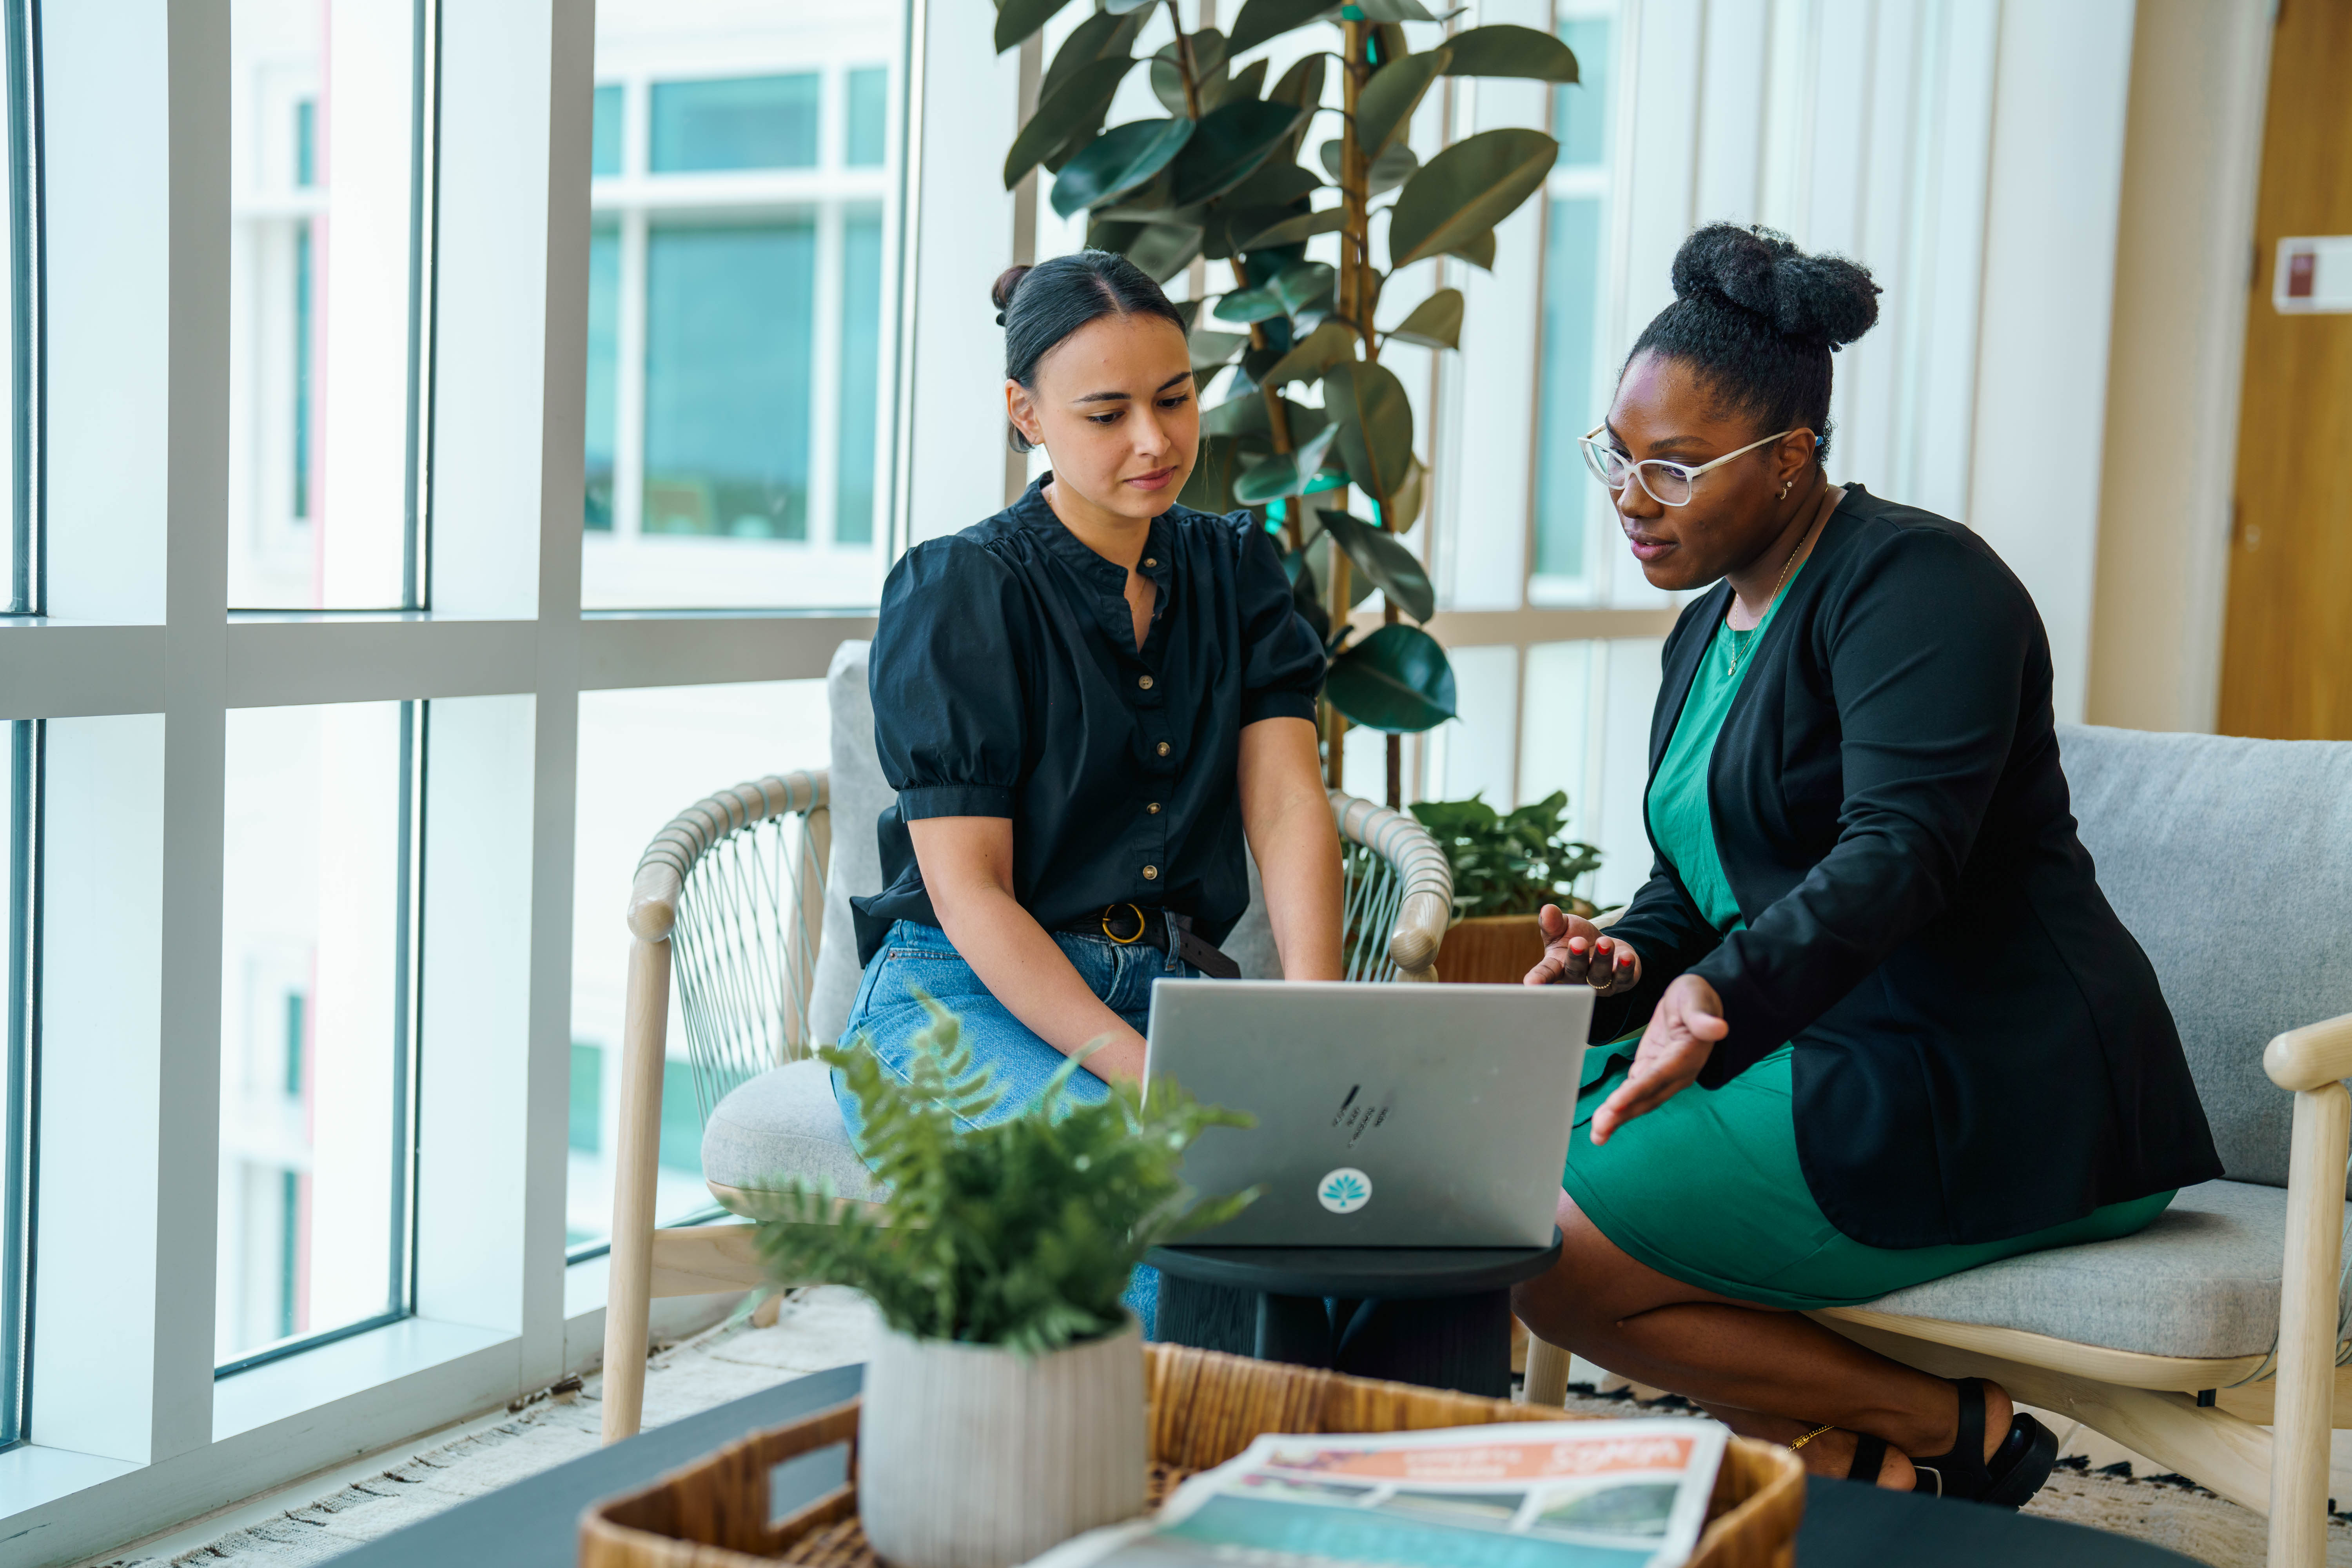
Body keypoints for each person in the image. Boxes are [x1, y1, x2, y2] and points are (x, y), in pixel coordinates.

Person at [1513, 224, 2220, 1505]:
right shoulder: (1703, 627)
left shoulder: (1920, 583)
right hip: (1813, 1046)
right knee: (1481, 1181)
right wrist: (1626, 961)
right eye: (1617, 456)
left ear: (1790, 460)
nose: (1629, 498)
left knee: (1532, 1235)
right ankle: (1864, 1454)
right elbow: (1699, 882)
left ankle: (1952, 1430)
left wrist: (1720, 997)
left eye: (1674, 470)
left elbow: (1901, 853)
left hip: (1987, 1078)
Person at [837, 250, 1345, 1329]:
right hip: (962, 998)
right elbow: (971, 894)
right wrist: (1141, 1072)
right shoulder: (958, 589)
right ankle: (1159, 1471)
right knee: (1154, 1203)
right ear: (1026, 413)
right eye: (1107, 414)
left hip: (1173, 993)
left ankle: (1291, 1462)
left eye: (1174, 399)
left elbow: (1289, 805)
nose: (1155, 442)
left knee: (1347, 1212)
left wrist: (1313, 1019)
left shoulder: (1238, 571)